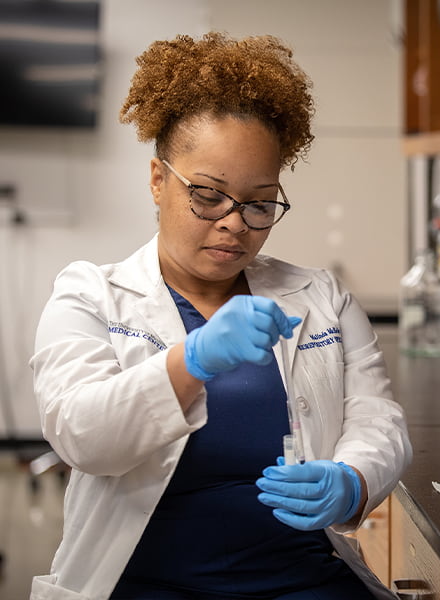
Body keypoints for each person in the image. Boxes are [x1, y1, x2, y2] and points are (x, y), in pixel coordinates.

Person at [29, 32, 411, 600]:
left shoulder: (319, 295)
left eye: (259, 202)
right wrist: (192, 360)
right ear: (158, 180)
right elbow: (84, 438)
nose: (235, 223)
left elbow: (378, 418)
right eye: (208, 195)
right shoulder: (90, 294)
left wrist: (353, 480)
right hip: (143, 584)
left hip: (305, 580)